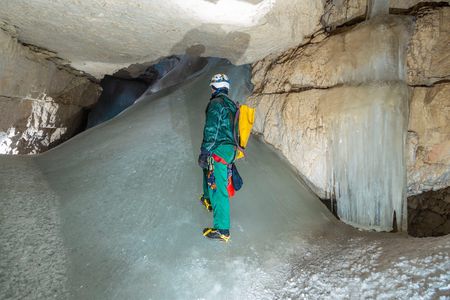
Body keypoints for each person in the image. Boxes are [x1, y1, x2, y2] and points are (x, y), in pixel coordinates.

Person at [198, 73, 238, 242]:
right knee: (208, 170)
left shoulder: (216, 103)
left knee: (219, 189)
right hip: (230, 149)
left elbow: (211, 130)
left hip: (219, 149)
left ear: (214, 87)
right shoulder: (232, 105)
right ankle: (207, 199)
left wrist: (205, 150)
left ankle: (222, 230)